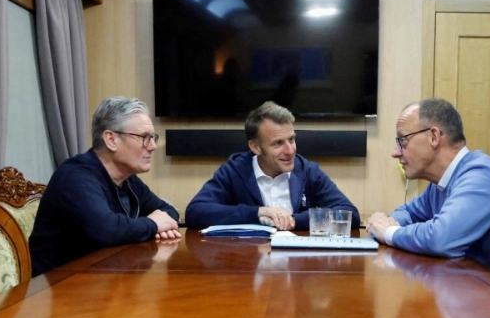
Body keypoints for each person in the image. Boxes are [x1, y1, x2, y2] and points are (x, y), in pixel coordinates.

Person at [366, 99, 490, 290]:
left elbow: (441, 238)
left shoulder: (480, 176)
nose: (395, 152)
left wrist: (389, 232)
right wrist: (389, 223)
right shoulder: (441, 183)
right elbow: (409, 212)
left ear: (434, 137)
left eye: (403, 140)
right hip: (481, 295)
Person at [29, 97, 180, 276]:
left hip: (104, 281)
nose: (153, 146)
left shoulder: (128, 179)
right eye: (144, 138)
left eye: (153, 138)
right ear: (111, 139)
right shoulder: (75, 177)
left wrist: (159, 223)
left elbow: (168, 211)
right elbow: (106, 229)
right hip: (59, 288)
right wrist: (153, 225)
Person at [184, 101, 359, 231]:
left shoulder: (308, 171)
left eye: (291, 139)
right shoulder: (234, 171)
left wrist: (295, 220)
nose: (290, 150)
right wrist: (258, 212)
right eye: (278, 143)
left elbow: (350, 215)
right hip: (247, 266)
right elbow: (196, 212)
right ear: (255, 147)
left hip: (298, 267)